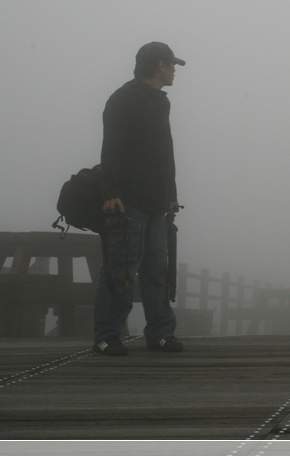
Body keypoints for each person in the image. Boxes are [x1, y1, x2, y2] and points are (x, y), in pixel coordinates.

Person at [93, 41, 185, 355]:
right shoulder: (123, 99)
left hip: (157, 203)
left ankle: (160, 334)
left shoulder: (161, 102)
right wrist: (110, 193)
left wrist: (170, 194)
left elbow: (165, 151)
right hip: (127, 201)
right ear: (161, 65)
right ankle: (107, 336)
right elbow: (111, 148)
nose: (175, 71)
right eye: (172, 65)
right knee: (120, 269)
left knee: (157, 270)